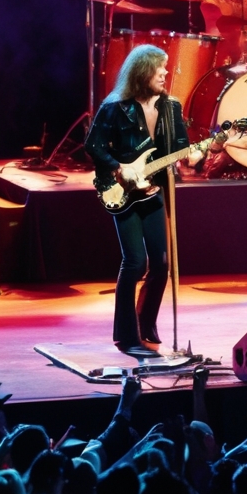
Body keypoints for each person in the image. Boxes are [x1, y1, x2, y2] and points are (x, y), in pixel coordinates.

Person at [85, 44, 201, 354]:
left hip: (153, 192)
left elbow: (180, 149)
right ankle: (126, 334)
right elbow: (94, 145)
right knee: (135, 262)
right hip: (121, 191)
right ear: (142, 72)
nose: (166, 72)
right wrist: (117, 168)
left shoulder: (171, 107)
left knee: (161, 263)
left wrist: (199, 153)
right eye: (159, 68)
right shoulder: (115, 107)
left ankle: (146, 323)